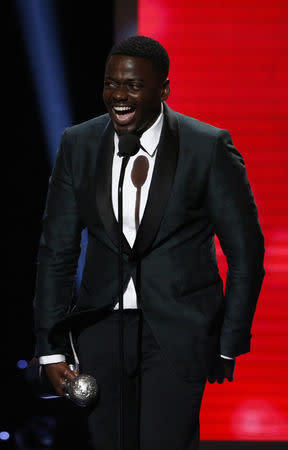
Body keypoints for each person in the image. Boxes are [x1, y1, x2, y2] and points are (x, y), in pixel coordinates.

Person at [33, 35, 265, 450]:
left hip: (178, 334)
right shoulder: (79, 143)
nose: (118, 95)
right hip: (101, 333)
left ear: (164, 88)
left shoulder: (207, 147)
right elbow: (57, 251)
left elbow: (246, 253)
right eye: (110, 83)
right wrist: (50, 350)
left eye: (133, 86)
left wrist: (230, 342)